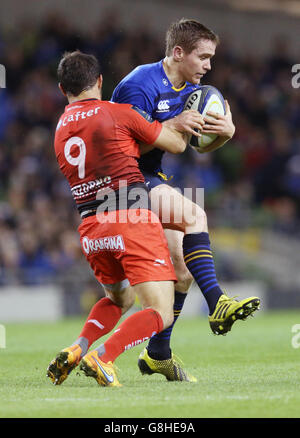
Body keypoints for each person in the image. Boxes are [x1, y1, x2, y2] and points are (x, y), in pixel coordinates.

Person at [111, 18, 260, 382]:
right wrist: (172, 126)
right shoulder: (139, 86)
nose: (209, 66)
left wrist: (228, 132)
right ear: (178, 53)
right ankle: (219, 303)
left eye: (211, 58)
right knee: (195, 215)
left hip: (148, 178)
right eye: (203, 57)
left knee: (180, 270)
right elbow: (124, 145)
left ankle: (157, 353)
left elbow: (199, 145)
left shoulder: (194, 89)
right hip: (119, 180)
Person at [47, 50, 201, 387]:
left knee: (120, 298)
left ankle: (77, 348)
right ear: (100, 81)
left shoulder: (59, 130)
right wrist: (181, 120)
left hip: (90, 224)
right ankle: (102, 357)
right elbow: (174, 144)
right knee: (160, 312)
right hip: (130, 216)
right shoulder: (119, 113)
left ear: (63, 89)